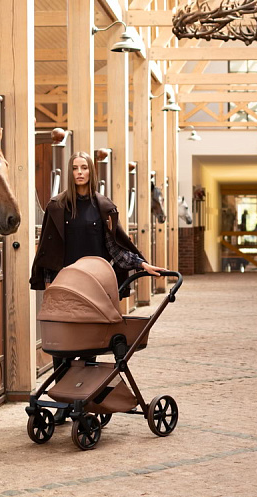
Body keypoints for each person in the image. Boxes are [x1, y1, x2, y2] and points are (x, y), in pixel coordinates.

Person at [30, 151, 165, 423]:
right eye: (75, 168)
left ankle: (85, 398)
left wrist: (141, 264)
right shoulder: (57, 206)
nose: (80, 172)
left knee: (88, 345)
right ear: (70, 172)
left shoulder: (103, 207)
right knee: (63, 347)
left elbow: (115, 247)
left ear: (91, 172)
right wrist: (50, 285)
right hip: (65, 283)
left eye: (84, 168)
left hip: (93, 287)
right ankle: (63, 404)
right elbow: (49, 248)